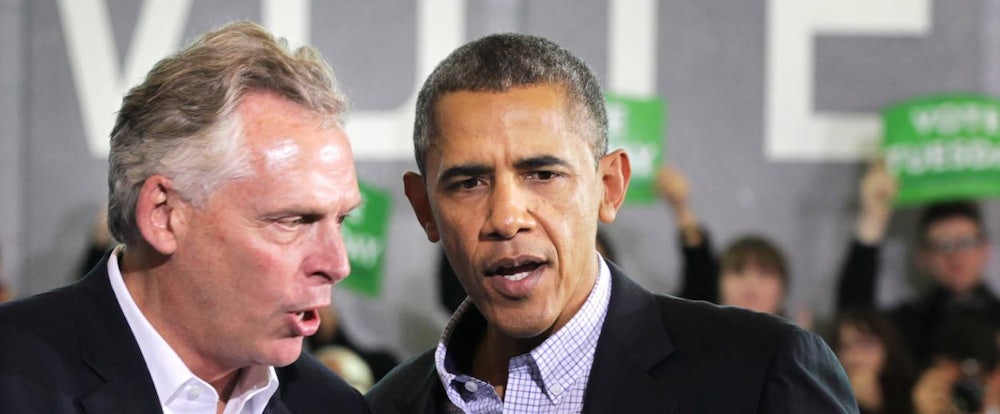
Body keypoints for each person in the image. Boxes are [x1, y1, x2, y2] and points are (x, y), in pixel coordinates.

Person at [365, 33, 857, 413]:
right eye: (469, 182)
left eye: (542, 174)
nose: (507, 218)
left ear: (610, 186)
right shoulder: (384, 407)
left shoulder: (759, 373)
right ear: (424, 208)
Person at [0, 21, 370, 413]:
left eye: (341, 219)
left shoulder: (333, 405)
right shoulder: (12, 379)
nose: (337, 265)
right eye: (292, 221)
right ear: (163, 214)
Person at [837, 162, 1000, 366]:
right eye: (943, 245)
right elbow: (856, 319)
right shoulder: (906, 325)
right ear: (923, 257)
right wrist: (873, 219)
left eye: (966, 242)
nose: (956, 256)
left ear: (985, 249)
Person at [657, 165, 790, 316]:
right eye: (738, 271)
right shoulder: (697, 326)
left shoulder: (803, 331)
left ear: (783, 285)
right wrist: (681, 208)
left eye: (764, 273)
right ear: (717, 282)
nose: (751, 284)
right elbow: (698, 266)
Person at [829, 310, 918, 414]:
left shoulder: (914, 391)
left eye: (866, 344)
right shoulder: (828, 393)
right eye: (845, 347)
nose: (854, 357)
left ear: (888, 347)